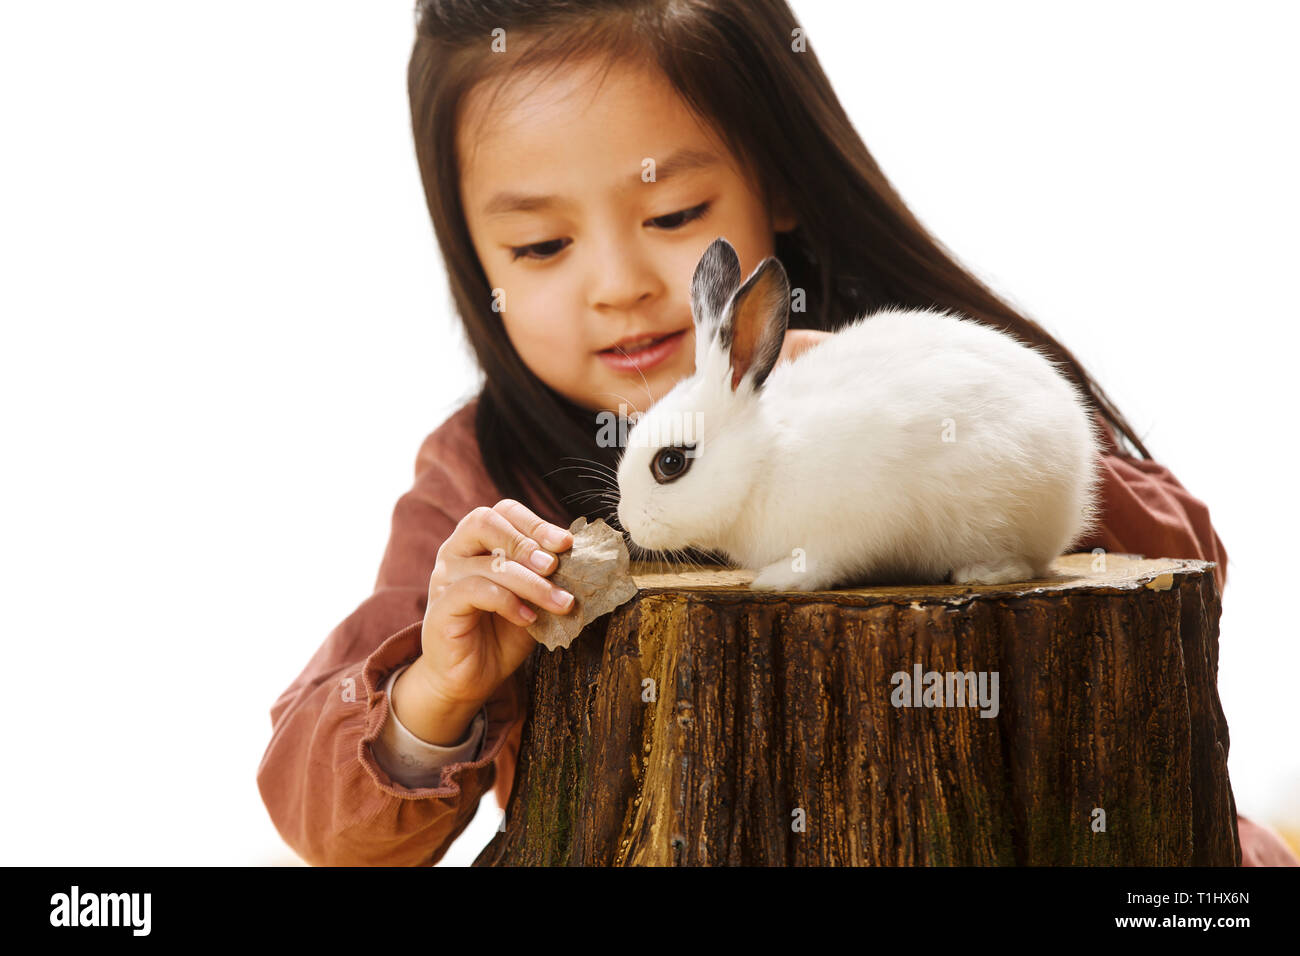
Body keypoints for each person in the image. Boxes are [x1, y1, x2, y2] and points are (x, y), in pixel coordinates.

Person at [256, 0, 1297, 867]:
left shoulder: (906, 376)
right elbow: (324, 821)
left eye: (672, 218)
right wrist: (434, 692)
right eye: (540, 243)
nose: (618, 285)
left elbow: (1184, 561)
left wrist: (922, 447)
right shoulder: (482, 475)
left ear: (779, 183)